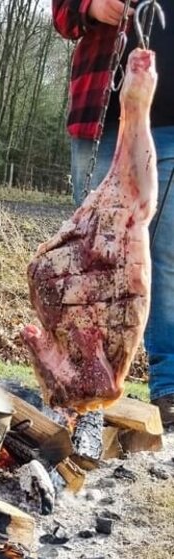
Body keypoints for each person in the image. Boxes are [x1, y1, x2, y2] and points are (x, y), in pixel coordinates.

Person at [52, 0, 174, 426]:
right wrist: (91, 6)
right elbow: (62, 15)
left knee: (164, 258)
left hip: (170, 129)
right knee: (91, 257)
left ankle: (168, 386)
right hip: (99, 120)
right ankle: (85, 382)